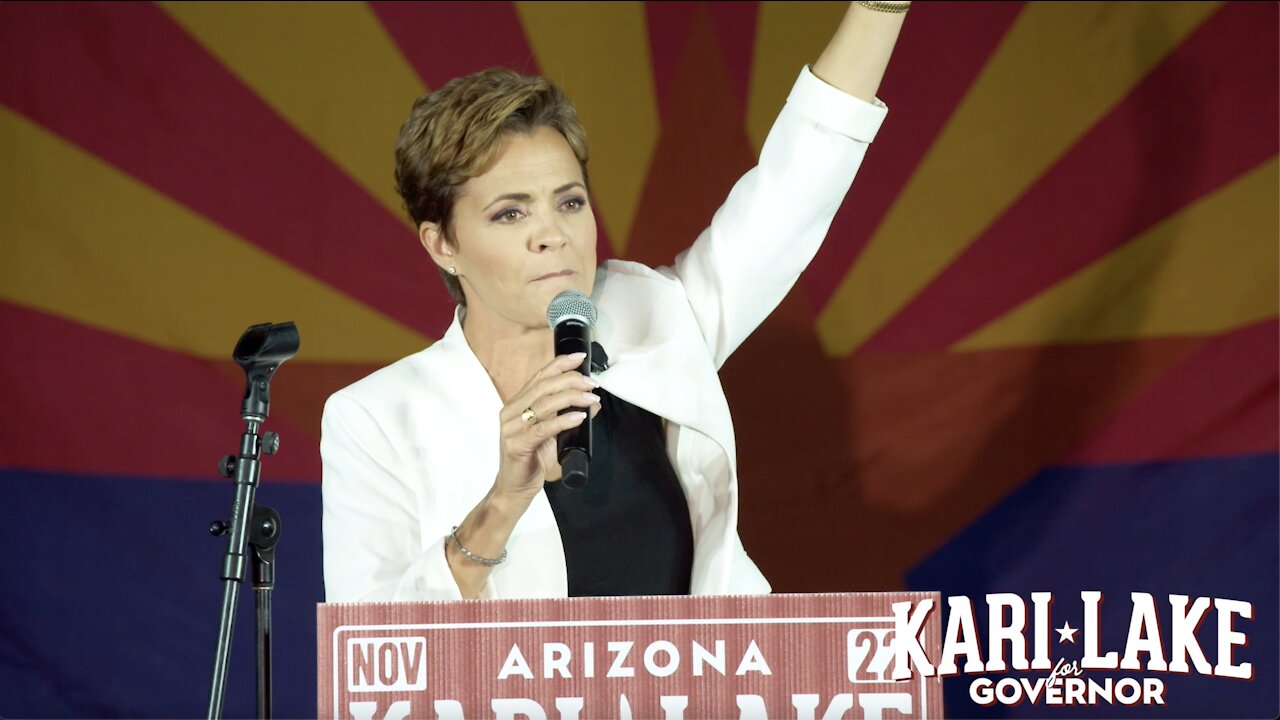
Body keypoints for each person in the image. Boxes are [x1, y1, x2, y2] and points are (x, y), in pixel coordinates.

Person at [321, 0, 910, 602]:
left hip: (703, 693)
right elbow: (369, 658)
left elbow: (795, 188)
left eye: (569, 201)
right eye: (510, 212)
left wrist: (880, 7)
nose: (553, 232)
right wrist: (503, 502)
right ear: (443, 243)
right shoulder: (375, 419)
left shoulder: (657, 318)